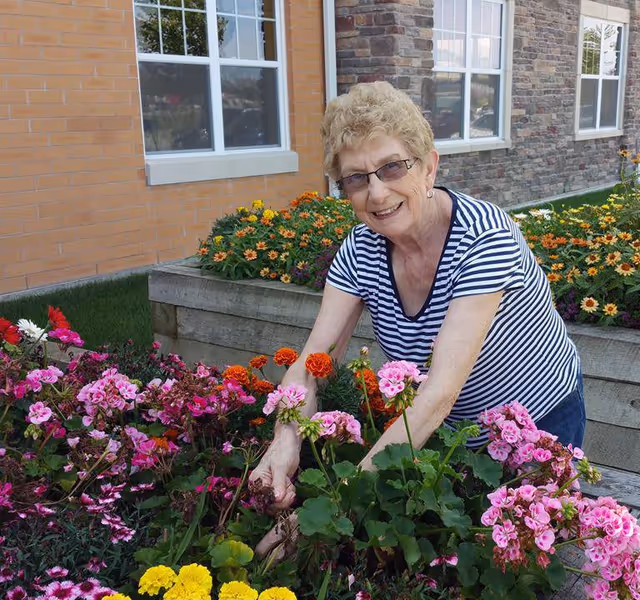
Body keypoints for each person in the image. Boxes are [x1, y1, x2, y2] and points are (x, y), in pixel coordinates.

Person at [249, 81, 585, 553]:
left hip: (538, 420)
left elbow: (440, 393)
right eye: (357, 178)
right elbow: (312, 363)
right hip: (444, 432)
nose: (378, 192)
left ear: (428, 166)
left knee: (520, 559)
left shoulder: (485, 238)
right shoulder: (360, 251)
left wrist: (330, 510)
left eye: (391, 167)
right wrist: (283, 442)